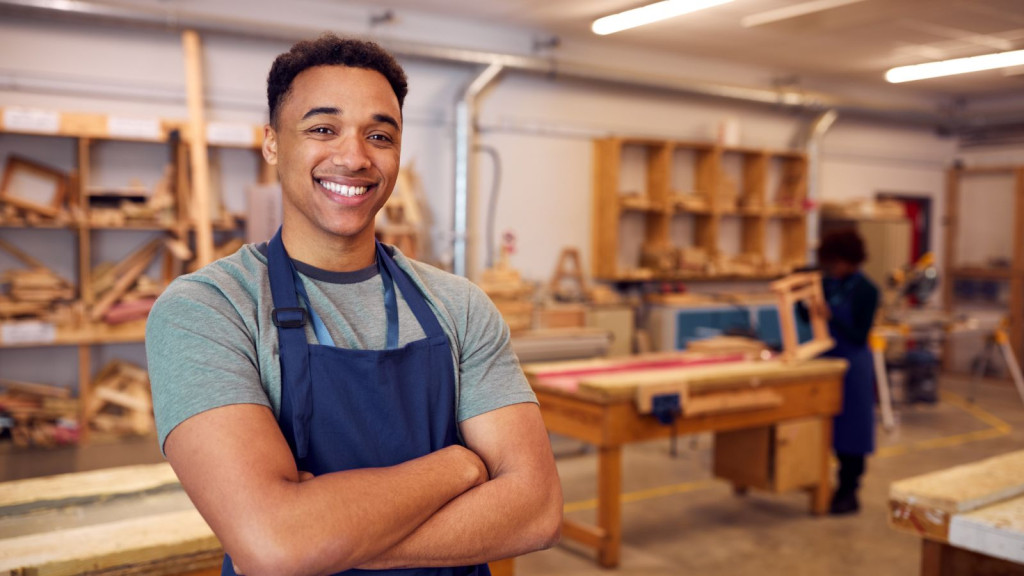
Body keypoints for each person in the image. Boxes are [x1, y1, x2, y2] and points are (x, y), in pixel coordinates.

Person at [146, 34, 562, 576]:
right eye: (323, 129)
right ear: (272, 143)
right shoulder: (209, 309)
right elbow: (273, 543)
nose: (354, 156)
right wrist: (458, 468)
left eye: (380, 135)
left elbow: (537, 512)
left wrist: (318, 534)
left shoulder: (459, 306)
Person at [816, 229, 880, 515]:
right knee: (825, 427)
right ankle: (819, 484)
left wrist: (830, 316)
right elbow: (810, 316)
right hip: (826, 360)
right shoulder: (828, 284)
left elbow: (859, 334)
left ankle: (849, 491)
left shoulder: (868, 290)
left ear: (851, 260)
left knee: (852, 432)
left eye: (837, 263)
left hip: (853, 365)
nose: (834, 269)